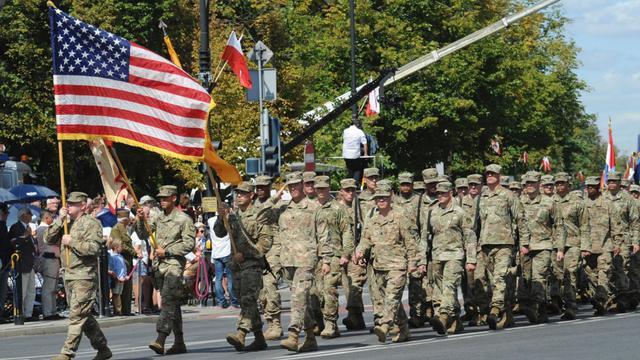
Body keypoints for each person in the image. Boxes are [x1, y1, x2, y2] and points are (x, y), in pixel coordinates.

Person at [354, 182, 424, 343]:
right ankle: (404, 330)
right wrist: (359, 251)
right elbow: (366, 239)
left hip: (397, 265)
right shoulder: (372, 219)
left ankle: (385, 325)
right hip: (379, 266)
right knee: (392, 300)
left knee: (392, 297)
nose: (381, 200)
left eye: (384, 197)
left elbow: (410, 242)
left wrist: (413, 262)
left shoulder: (400, 217)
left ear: (390, 197)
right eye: (378, 198)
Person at [45, 191, 111, 360]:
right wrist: (59, 220)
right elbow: (48, 239)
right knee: (83, 315)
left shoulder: (92, 223)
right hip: (69, 275)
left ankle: (67, 353)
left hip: (84, 275)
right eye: (67, 203)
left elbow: (94, 249)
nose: (68, 206)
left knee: (76, 315)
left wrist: (71, 242)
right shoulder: (65, 223)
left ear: (82, 205)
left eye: (72, 204)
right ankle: (102, 348)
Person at [135, 185, 195, 355]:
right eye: (160, 198)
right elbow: (142, 234)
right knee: (173, 304)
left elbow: (189, 244)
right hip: (159, 266)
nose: (162, 201)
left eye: (165, 198)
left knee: (168, 300)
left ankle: (161, 338)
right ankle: (179, 341)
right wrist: (140, 219)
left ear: (174, 198)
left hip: (174, 264)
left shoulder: (184, 219)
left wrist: (168, 251)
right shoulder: (159, 218)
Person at [216, 181, 272, 352]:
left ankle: (241, 333)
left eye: (243, 193)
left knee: (248, 299)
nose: (239, 196)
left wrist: (247, 254)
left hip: (253, 265)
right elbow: (220, 233)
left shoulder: (259, 215)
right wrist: (221, 216)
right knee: (246, 303)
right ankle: (259, 338)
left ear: (251, 196)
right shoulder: (234, 216)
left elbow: (265, 243)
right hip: (237, 266)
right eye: (237, 193)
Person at [475, 164, 530, 330]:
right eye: (488, 174)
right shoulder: (481, 196)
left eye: (493, 174)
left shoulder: (508, 195)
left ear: (499, 176)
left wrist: (524, 243)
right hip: (485, 244)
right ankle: (507, 315)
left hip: (505, 243)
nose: (490, 176)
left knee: (499, 278)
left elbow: (521, 218)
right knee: (496, 282)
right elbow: (477, 224)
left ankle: (495, 310)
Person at [278, 171, 327, 353]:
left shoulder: (314, 208)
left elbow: (323, 236)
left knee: (298, 296)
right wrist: (274, 199)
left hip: (307, 259)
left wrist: (326, 260)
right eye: (289, 185)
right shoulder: (283, 209)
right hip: (288, 261)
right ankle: (310, 337)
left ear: (303, 185)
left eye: (296, 184)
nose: (293, 188)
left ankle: (293, 334)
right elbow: (262, 215)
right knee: (302, 299)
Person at [424, 182, 476, 334]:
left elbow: (469, 237)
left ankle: (443, 316)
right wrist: (421, 259)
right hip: (437, 256)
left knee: (449, 286)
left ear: (451, 193)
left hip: (455, 255)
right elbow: (425, 237)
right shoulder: (432, 212)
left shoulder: (460, 212)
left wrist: (471, 259)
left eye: (443, 193)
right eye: (438, 193)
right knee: (440, 290)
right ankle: (456, 321)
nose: (440, 196)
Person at [519, 172, 565, 324]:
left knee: (539, 277)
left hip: (544, 245)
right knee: (526, 279)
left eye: (533, 183)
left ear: (539, 184)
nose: (530, 186)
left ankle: (535, 307)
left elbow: (559, 226)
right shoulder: (519, 202)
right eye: (527, 183)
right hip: (524, 247)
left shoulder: (549, 202)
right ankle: (542, 309)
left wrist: (560, 249)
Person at [314, 175, 354, 339]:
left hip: (334, 255)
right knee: (316, 291)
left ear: (329, 188)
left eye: (324, 188)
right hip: (315, 256)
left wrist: (346, 253)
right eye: (318, 188)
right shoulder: (311, 208)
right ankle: (320, 322)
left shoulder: (338, 208)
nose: (321, 191)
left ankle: (331, 323)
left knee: (329, 289)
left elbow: (347, 232)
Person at [253, 175, 287, 341]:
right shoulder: (253, 207)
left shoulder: (279, 205)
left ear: (269, 188)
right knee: (261, 291)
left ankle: (276, 324)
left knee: (270, 286)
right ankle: (269, 322)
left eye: (263, 187)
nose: (260, 190)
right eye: (257, 187)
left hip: (274, 249)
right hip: (259, 251)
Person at [552, 172, 589, 320]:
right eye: (557, 183)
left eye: (563, 183)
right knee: (556, 275)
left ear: (569, 185)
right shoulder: (549, 202)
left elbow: (585, 226)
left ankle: (570, 306)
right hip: (554, 244)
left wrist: (585, 246)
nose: (560, 186)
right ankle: (556, 302)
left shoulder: (577, 203)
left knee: (570, 274)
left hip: (573, 243)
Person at [582, 176, 614, 315]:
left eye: (593, 186)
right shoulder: (582, 204)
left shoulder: (607, 203)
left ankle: (601, 300)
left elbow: (616, 225)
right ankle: (598, 299)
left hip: (605, 245)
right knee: (591, 275)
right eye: (588, 186)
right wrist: (583, 246)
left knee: (603, 273)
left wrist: (617, 244)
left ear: (598, 187)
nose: (590, 189)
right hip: (588, 246)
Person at [338, 178, 367, 331]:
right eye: (347, 190)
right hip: (339, 253)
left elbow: (364, 229)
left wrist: (359, 251)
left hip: (355, 253)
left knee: (354, 284)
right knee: (346, 286)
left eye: (353, 190)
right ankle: (356, 318)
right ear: (341, 192)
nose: (350, 193)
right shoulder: (336, 208)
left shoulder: (359, 207)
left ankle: (355, 317)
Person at [9, 207, 37, 321]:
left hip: (30, 263)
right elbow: (12, 242)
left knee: (31, 291)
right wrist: (25, 236)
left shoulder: (28, 227)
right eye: (29, 214)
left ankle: (28, 314)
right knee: (22, 291)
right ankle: (20, 313)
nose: (31, 216)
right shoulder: (16, 227)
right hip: (21, 264)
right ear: (24, 215)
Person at [208, 212, 238, 309]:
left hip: (216, 254)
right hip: (227, 252)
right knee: (230, 278)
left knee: (218, 278)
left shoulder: (210, 220)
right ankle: (233, 300)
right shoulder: (228, 221)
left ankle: (221, 300)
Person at [36, 210, 63, 320]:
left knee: (53, 287)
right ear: (46, 218)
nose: (52, 219)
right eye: (51, 217)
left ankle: (52, 311)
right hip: (49, 258)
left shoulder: (45, 229)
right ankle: (48, 312)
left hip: (53, 258)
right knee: (49, 287)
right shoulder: (43, 229)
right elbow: (54, 241)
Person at [109, 208, 135, 315]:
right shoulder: (116, 229)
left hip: (127, 260)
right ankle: (121, 310)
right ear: (125, 219)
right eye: (128, 218)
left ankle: (127, 310)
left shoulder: (125, 228)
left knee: (127, 287)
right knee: (121, 288)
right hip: (121, 260)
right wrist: (134, 252)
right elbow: (120, 244)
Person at [342, 120, 368, 186]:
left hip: (346, 155)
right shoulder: (360, 132)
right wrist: (365, 154)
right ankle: (355, 185)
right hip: (355, 155)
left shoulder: (345, 131)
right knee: (357, 170)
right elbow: (365, 143)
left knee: (350, 170)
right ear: (358, 125)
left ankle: (349, 185)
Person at [107, 239, 127, 316]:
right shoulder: (113, 257)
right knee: (116, 294)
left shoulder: (121, 257)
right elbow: (114, 268)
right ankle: (117, 310)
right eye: (121, 246)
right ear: (115, 247)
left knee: (118, 294)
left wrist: (125, 275)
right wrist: (117, 277)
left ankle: (118, 309)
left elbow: (123, 267)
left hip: (122, 278)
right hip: (117, 279)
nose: (122, 248)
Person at [0, 203, 11, 324]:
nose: (7, 215)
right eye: (6, 213)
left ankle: (0, 313)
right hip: (2, 262)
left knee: (3, 291)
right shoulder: (2, 226)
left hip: (5, 262)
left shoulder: (3, 225)